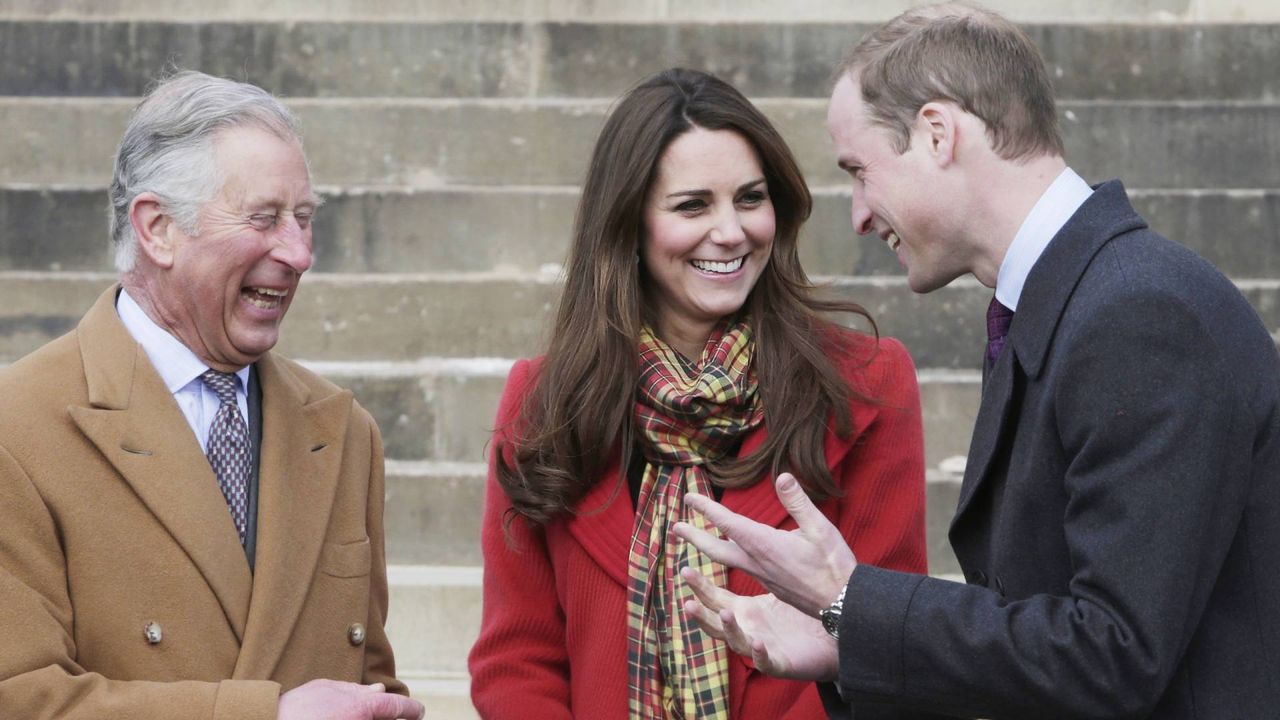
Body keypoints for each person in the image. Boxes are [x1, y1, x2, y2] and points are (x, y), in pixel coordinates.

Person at [675, 3, 1280, 718]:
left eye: (860, 171)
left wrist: (850, 600)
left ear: (936, 134)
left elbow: (1113, 656)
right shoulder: (1071, 302)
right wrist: (848, 635)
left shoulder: (1138, 314)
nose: (860, 214)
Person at [467, 68, 929, 719]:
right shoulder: (544, 401)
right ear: (629, 225)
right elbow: (517, 661)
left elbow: (890, 643)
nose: (731, 231)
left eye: (749, 198)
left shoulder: (869, 383)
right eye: (692, 206)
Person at [0, 71, 424, 720]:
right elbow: (22, 699)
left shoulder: (345, 432)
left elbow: (368, 684)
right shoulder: (19, 427)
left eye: (305, 219)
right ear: (159, 228)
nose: (301, 252)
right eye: (266, 218)